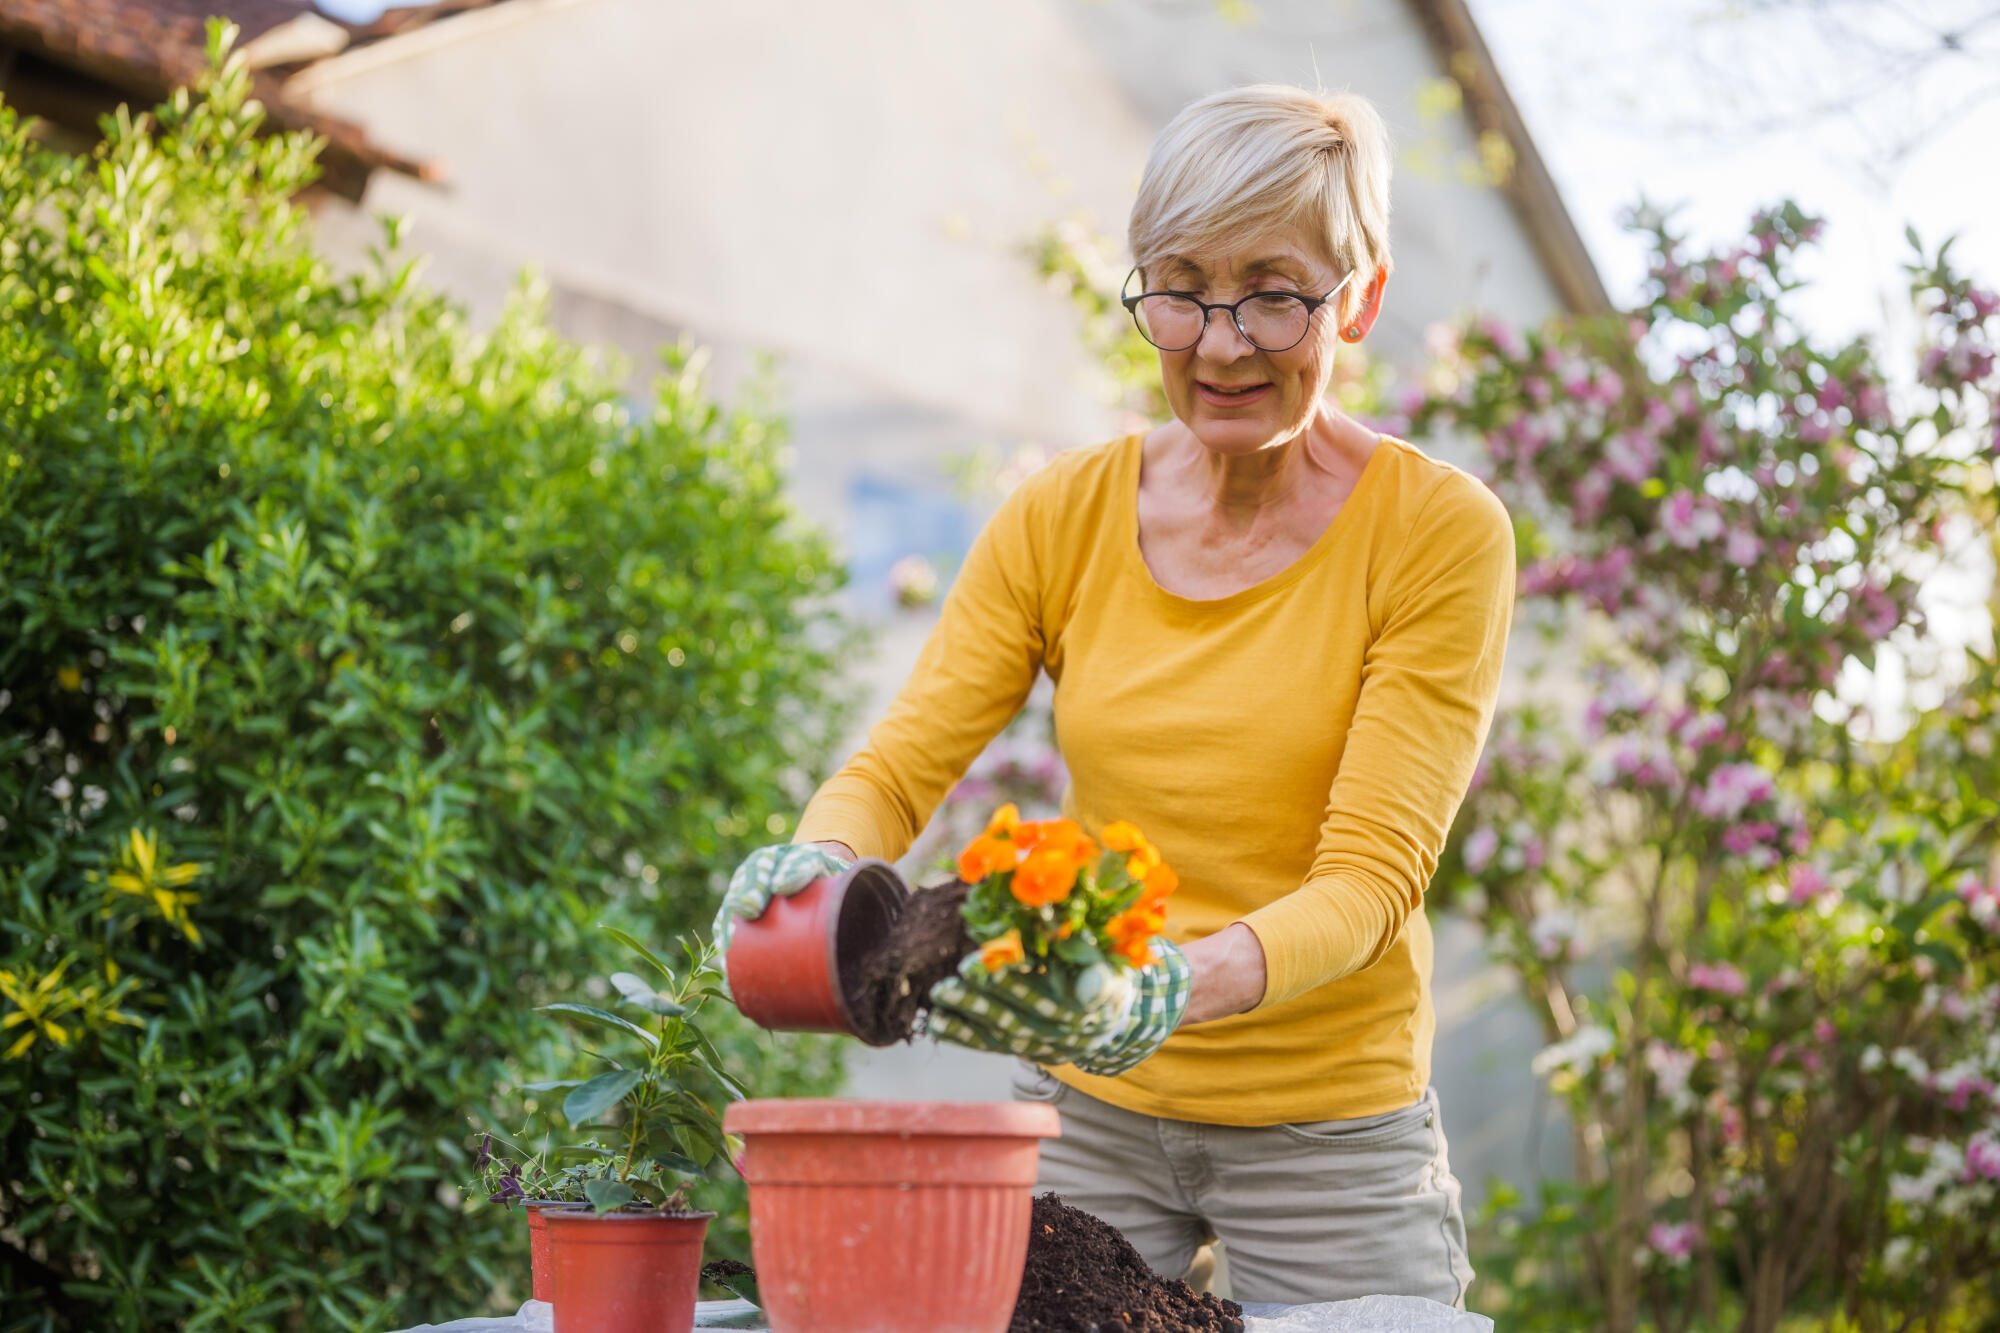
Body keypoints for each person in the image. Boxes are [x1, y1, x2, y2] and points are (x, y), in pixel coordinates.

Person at [715, 84, 1514, 1309]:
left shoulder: (1435, 533)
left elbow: (1370, 878)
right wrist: (815, 863)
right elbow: (899, 765)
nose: (1220, 339)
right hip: (1090, 1109)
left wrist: (1167, 990)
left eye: (1273, 290)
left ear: (1358, 298)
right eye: (1181, 287)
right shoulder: (1062, 514)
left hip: (1328, 1127)